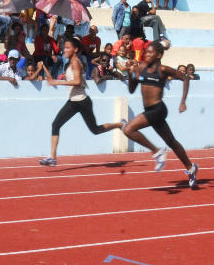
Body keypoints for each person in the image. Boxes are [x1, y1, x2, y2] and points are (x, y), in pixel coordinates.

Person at [118, 41, 198, 188]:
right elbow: (131, 89)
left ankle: (157, 151)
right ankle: (191, 168)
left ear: (159, 55)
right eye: (146, 52)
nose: (147, 54)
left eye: (150, 52)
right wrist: (131, 75)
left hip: (158, 109)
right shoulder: (140, 67)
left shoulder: (163, 69)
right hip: (150, 111)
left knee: (128, 129)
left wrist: (183, 102)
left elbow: (185, 78)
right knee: (171, 142)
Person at [35, 36, 118, 166]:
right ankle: (52, 157)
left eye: (68, 47)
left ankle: (119, 125)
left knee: (95, 130)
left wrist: (57, 81)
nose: (64, 49)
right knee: (56, 124)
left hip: (82, 101)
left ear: (75, 49)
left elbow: (78, 81)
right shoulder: (71, 62)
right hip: (73, 101)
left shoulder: (75, 62)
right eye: (64, 47)